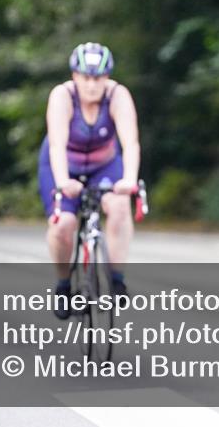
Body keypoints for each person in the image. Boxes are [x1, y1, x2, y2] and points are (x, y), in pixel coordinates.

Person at [38, 42, 141, 318]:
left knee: (119, 207)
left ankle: (117, 280)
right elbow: (57, 145)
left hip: (104, 164)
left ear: (107, 77)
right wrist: (63, 182)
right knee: (65, 224)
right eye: (86, 77)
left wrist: (129, 180)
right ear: (74, 75)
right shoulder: (62, 96)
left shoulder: (118, 96)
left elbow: (130, 143)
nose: (92, 85)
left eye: (98, 78)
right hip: (63, 165)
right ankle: (62, 285)